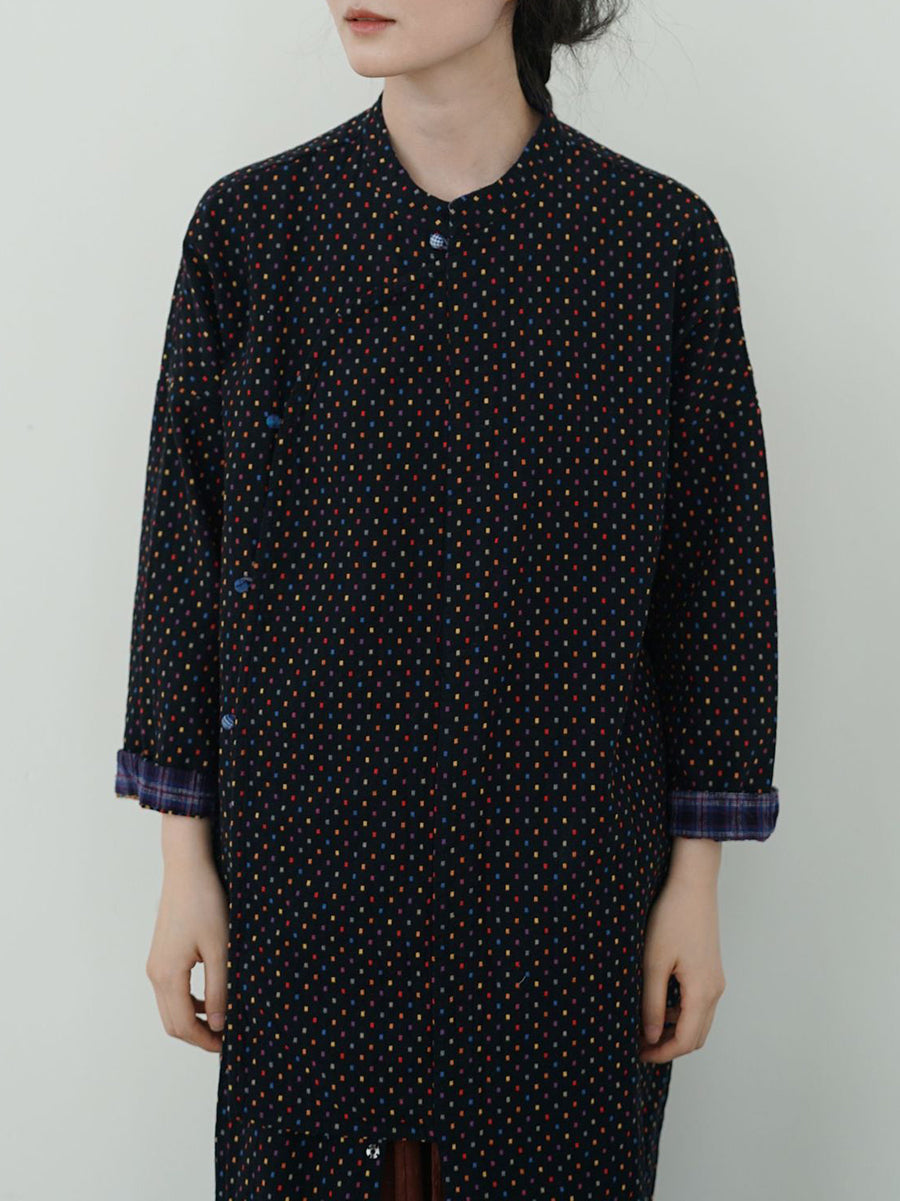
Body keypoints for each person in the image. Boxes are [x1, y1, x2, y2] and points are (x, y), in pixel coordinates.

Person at [114, 1, 782, 1198]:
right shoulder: (254, 232)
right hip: (307, 878)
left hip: (563, 887)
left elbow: (716, 587)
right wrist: (183, 865)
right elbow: (184, 562)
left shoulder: (655, 246)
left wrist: (696, 885)